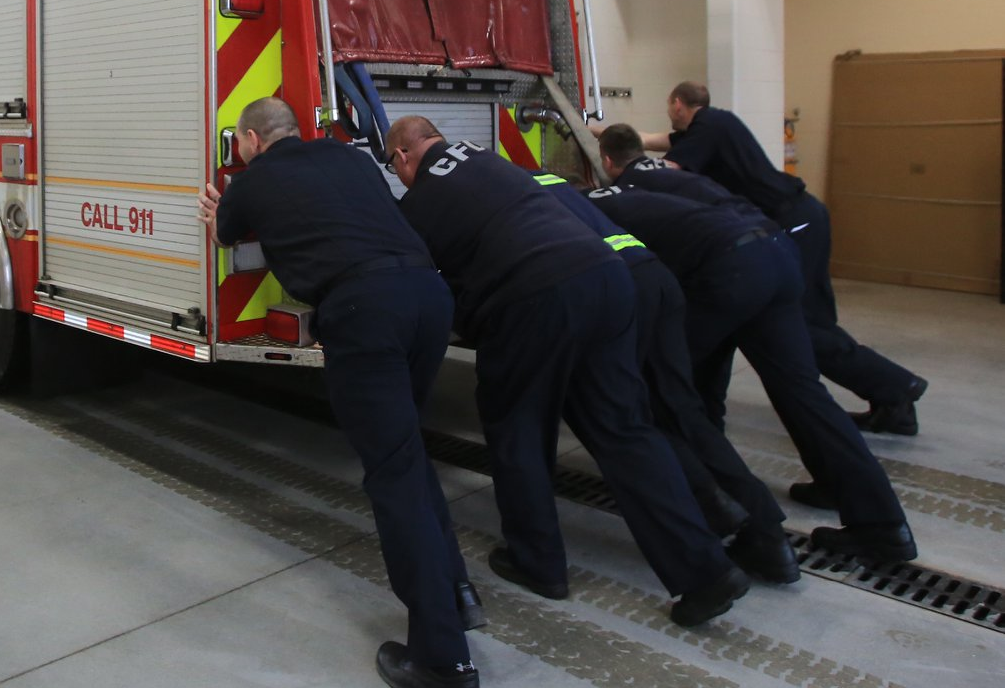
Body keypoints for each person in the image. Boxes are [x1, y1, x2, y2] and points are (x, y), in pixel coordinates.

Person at [382, 117, 749, 628]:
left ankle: (538, 562)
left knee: (517, 425)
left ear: (402, 155)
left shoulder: (419, 201)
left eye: (392, 167)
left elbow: (414, 275)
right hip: (607, 279)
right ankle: (707, 571)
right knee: (625, 430)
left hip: (536, 298)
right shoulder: (493, 162)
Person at [198, 98, 481, 688]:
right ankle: (456, 590)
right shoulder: (350, 160)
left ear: (249, 141)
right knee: (407, 451)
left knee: (392, 474)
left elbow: (224, 229)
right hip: (428, 298)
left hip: (363, 312)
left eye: (241, 143)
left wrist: (224, 210)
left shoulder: (254, 178)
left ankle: (445, 665)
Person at [583, 183, 919, 565]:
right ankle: (883, 525)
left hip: (727, 269)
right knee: (804, 393)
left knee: (667, 398)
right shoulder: (623, 196)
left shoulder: (575, 215)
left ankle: (752, 527)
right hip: (772, 251)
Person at [605, 86, 929, 435]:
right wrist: (595, 131)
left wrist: (613, 177)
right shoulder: (713, 125)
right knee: (802, 326)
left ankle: (897, 388)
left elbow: (665, 167)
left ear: (678, 104)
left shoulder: (708, 126)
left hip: (790, 222)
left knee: (804, 328)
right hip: (791, 218)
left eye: (670, 108)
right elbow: (650, 141)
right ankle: (893, 394)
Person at [531, 172, 798, 584]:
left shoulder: (544, 206)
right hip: (677, 282)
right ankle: (764, 530)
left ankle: (717, 506)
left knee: (643, 416)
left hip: (652, 286)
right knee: (681, 410)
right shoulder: (602, 199)